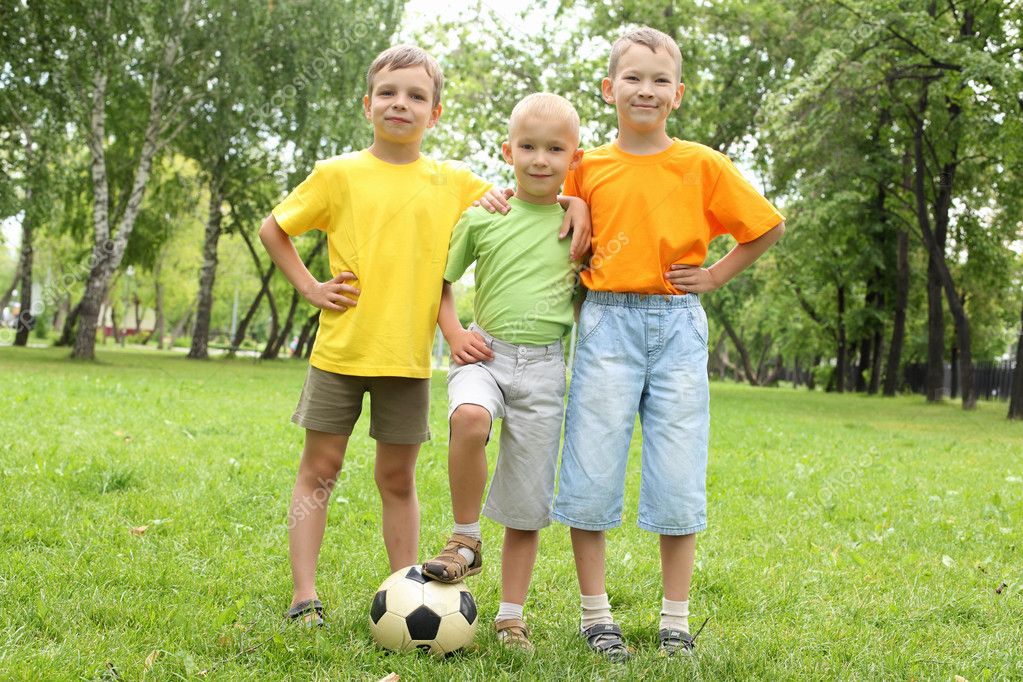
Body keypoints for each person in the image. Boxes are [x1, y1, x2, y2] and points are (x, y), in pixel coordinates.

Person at [259, 45, 589, 627]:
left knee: (396, 477)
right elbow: (274, 228)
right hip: (341, 350)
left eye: (416, 96)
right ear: (368, 105)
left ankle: (405, 594)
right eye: (388, 93)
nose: (400, 104)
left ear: (435, 113)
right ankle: (303, 595)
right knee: (321, 469)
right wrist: (311, 288)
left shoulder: (455, 181)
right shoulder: (338, 174)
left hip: (408, 359)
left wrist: (578, 204)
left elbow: (534, 187)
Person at [550, 27, 786, 660]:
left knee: (678, 472)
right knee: (593, 465)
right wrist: (567, 199)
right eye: (632, 78)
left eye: (659, 81)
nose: (645, 90)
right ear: (609, 89)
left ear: (677, 94)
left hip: (678, 323)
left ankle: (674, 619)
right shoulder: (585, 164)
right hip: (606, 323)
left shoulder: (701, 164)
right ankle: (595, 614)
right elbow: (532, 188)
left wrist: (714, 275)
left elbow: (765, 226)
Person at [421, 93, 584, 652]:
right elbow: (440, 282)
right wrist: (453, 333)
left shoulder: (577, 223)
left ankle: (510, 615)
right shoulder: (485, 215)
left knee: (526, 499)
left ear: (573, 156)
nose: (540, 159)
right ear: (507, 150)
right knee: (468, 419)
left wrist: (580, 204)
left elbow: (592, 290)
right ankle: (464, 540)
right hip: (484, 354)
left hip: (545, 368)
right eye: (528, 147)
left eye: (554, 149)